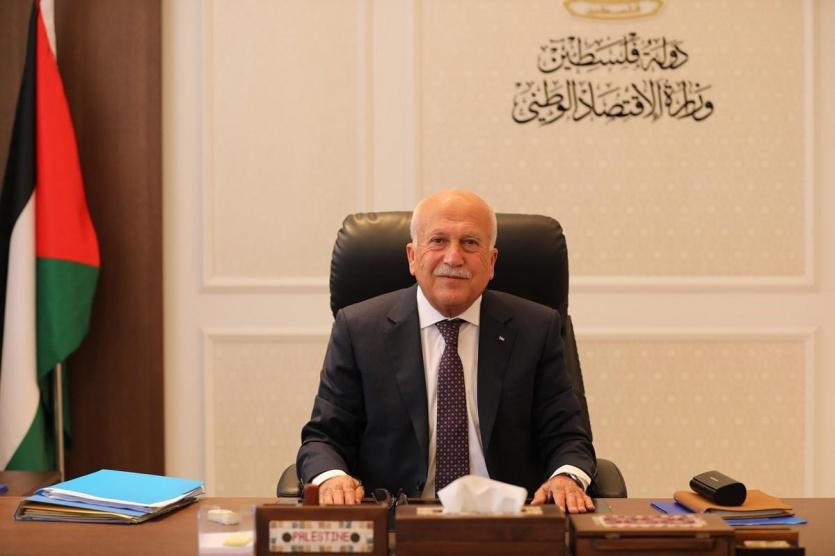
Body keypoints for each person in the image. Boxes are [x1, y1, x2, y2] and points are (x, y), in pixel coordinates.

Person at [297, 189, 596, 513]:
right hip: (396, 521)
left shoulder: (535, 328)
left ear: (491, 262)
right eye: (438, 241)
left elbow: (567, 437)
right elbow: (324, 439)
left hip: (508, 523)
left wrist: (566, 477)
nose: (453, 258)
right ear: (412, 256)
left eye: (470, 243)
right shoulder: (359, 329)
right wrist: (333, 479)